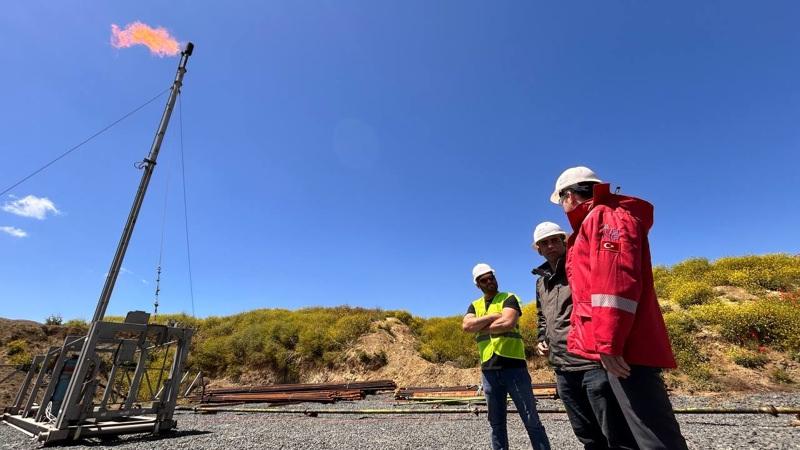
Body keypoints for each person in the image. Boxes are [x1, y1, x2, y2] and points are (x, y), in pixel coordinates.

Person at [550, 166, 688, 450]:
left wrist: (609, 344)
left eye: (561, 200)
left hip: (625, 350)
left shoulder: (604, 216)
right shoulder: (597, 219)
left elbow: (614, 284)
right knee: (632, 435)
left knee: (654, 439)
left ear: (569, 196)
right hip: (619, 347)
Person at [532, 221, 636, 450]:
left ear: (564, 241)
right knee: (586, 434)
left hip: (592, 364)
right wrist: (542, 338)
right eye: (544, 243)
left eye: (554, 240)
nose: (550, 246)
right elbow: (542, 315)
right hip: (562, 368)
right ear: (538, 249)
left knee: (615, 433)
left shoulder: (581, 266)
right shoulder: (541, 281)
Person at [462, 263, 551, 450]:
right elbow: (467, 327)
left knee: (531, 419)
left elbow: (508, 322)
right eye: (483, 280)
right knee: (496, 424)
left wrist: (481, 327)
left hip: (514, 368)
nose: (489, 282)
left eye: (491, 277)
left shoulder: (509, 298)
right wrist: (493, 316)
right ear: (478, 285)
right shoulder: (475, 305)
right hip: (489, 371)